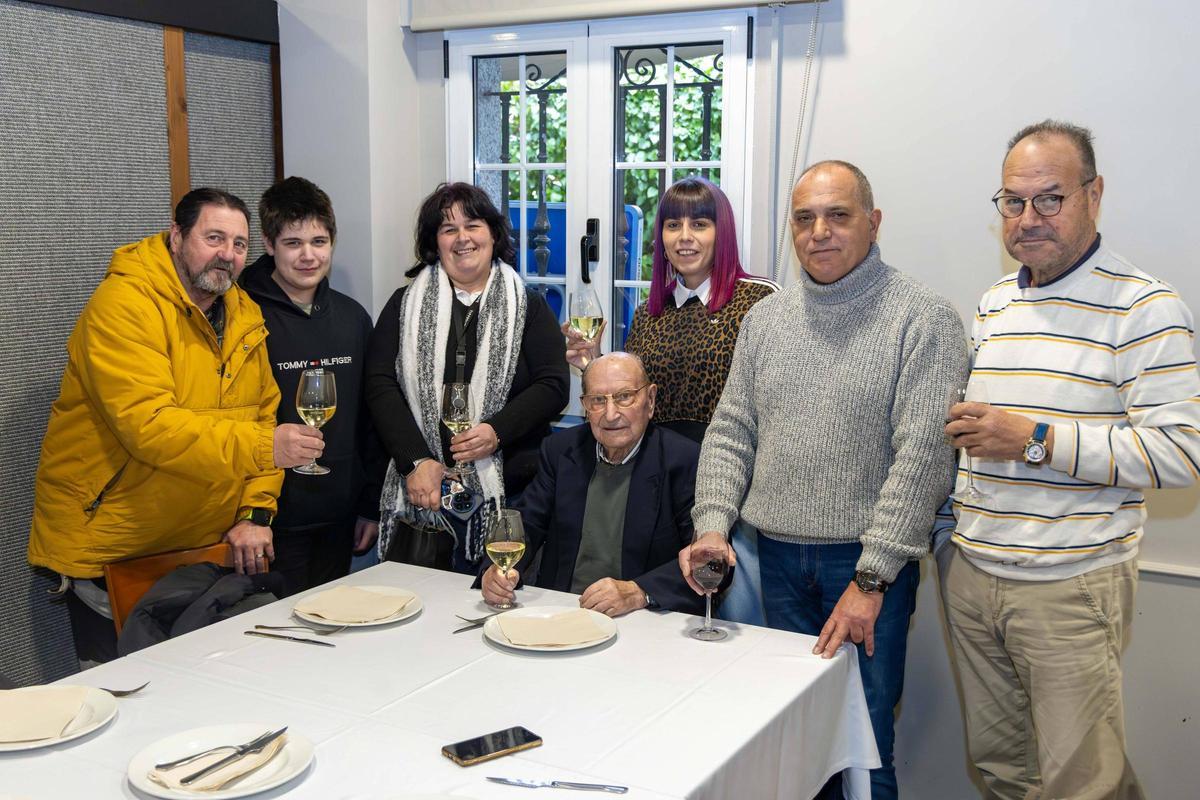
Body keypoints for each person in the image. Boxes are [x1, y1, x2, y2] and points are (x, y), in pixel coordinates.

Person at [681, 160, 969, 799]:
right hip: (769, 564)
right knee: (787, 748)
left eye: (838, 215)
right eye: (804, 218)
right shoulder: (765, 320)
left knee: (861, 758)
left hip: (864, 573)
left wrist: (872, 579)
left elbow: (922, 461)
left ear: (874, 222)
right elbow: (731, 430)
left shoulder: (924, 319)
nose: (820, 232)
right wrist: (711, 527)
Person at [938, 120, 1200, 800]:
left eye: (1050, 199)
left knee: (1082, 785)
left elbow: (1182, 455)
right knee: (1000, 769)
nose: (1029, 219)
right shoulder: (995, 303)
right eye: (1012, 202)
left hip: (1070, 585)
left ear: (1094, 195)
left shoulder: (1145, 307)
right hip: (973, 575)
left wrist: (1035, 438)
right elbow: (979, 436)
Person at [27, 187, 323, 666]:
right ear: (176, 236)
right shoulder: (123, 305)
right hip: (117, 547)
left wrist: (255, 511)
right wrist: (266, 447)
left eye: (240, 244)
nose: (227, 254)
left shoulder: (245, 315)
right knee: (124, 697)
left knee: (213, 695)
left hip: (202, 549)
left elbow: (263, 416)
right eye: (213, 237)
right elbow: (150, 427)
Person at [564, 176, 777, 623]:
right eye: (672, 225)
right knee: (667, 620)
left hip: (737, 491)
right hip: (667, 488)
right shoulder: (649, 312)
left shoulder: (759, 301)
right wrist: (594, 366)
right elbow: (638, 398)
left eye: (700, 224)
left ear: (723, 232)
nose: (684, 237)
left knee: (737, 624)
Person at [366, 182, 569, 575]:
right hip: (422, 494)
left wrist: (496, 431)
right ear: (435, 243)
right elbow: (379, 384)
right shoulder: (403, 305)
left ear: (493, 233)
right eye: (448, 229)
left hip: (511, 491)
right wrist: (415, 461)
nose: (463, 238)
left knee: (495, 615)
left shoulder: (528, 304)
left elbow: (554, 385)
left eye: (472, 225)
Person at [240, 176, 385, 596]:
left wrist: (369, 504)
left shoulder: (353, 318)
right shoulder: (239, 313)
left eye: (319, 242)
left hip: (339, 519)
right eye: (293, 243)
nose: (308, 255)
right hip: (263, 525)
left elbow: (370, 419)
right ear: (268, 244)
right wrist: (248, 516)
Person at [480, 352, 703, 616]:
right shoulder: (561, 451)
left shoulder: (685, 460)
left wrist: (639, 591)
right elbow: (526, 525)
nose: (610, 414)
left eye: (624, 397)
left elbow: (706, 561)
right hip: (561, 612)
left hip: (644, 620)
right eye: (598, 400)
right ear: (585, 406)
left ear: (650, 400)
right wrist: (493, 574)